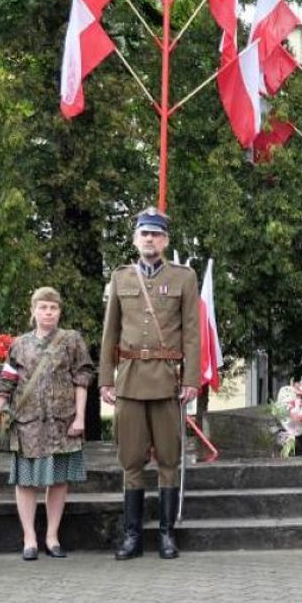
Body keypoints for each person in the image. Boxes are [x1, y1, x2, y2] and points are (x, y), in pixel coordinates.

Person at [99, 207, 200, 560]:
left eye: (156, 234)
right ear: (135, 239)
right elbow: (109, 331)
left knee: (169, 459)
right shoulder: (120, 277)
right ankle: (132, 537)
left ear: (165, 240)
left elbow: (191, 333)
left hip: (166, 380)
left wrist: (191, 380)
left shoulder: (184, 278)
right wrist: (104, 379)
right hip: (128, 380)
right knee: (131, 460)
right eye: (144, 233)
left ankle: (167, 535)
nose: (150, 239)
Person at [0, 287, 94, 560]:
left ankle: (52, 537)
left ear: (59, 311)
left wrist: (80, 417)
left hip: (61, 422)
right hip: (28, 424)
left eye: (53, 308)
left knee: (58, 481)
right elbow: (6, 384)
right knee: (26, 482)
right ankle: (29, 538)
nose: (48, 313)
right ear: (33, 311)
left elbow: (82, 378)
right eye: (43, 307)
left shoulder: (71, 340)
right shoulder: (19, 344)